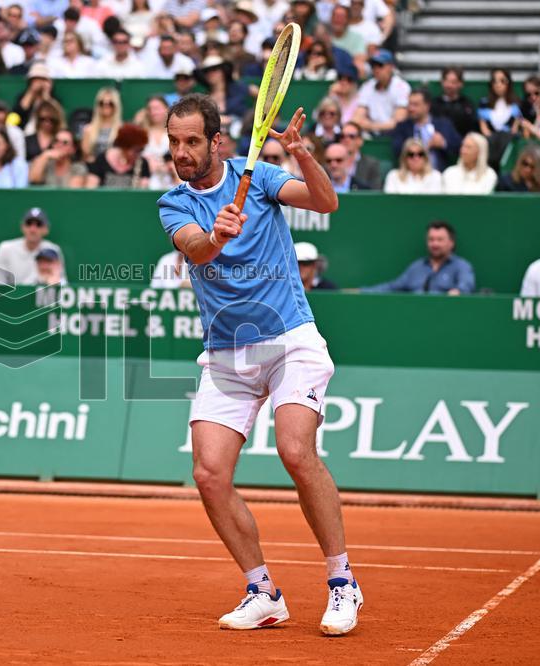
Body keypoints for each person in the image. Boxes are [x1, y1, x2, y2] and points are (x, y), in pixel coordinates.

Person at [157, 94, 358, 635]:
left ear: (216, 142)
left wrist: (303, 155)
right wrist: (217, 234)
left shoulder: (263, 176)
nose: (181, 151)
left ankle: (342, 583)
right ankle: (263, 590)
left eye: (192, 141)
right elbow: (195, 250)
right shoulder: (172, 203)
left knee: (296, 451)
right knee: (209, 474)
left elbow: (325, 203)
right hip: (226, 352)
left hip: (290, 338)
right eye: (175, 142)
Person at [364, 221, 475, 295]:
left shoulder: (461, 266)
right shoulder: (417, 267)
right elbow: (392, 287)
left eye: (440, 240)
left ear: (451, 243)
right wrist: (360, 291)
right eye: (431, 240)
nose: (434, 244)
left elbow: (466, 287)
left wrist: (456, 293)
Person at [391, 89, 460, 172]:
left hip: (437, 174)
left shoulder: (443, 125)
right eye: (410, 104)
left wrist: (443, 143)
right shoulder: (403, 126)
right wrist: (421, 147)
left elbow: (459, 146)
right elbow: (397, 150)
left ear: (427, 106)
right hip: (411, 175)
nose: (411, 108)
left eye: (415, 105)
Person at [0, 207, 64, 284]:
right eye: (29, 223)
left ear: (46, 229)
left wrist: (55, 282)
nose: (33, 229)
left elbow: (63, 282)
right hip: (12, 295)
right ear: (22, 227)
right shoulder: (5, 248)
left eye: (38, 224)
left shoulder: (53, 249)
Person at [351, 49, 409, 135]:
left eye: (380, 65)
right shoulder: (367, 86)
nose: (376, 69)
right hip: (370, 134)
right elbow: (357, 118)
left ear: (391, 67)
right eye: (373, 66)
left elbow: (398, 122)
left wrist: (370, 126)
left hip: (394, 135)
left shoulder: (401, 87)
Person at [431, 67, 477, 139]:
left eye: (453, 82)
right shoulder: (434, 104)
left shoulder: (467, 105)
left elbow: (472, 130)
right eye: (446, 81)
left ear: (460, 84)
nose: (449, 85)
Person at [80, 87, 122, 161]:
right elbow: (85, 157)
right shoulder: (88, 129)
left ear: (116, 106)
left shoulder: (122, 129)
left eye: (110, 103)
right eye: (102, 103)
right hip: (94, 168)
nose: (106, 106)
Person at [339, 120, 380, 188]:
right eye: (342, 136)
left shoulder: (371, 164)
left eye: (351, 136)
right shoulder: (331, 162)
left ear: (360, 141)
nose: (346, 139)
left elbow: (375, 191)